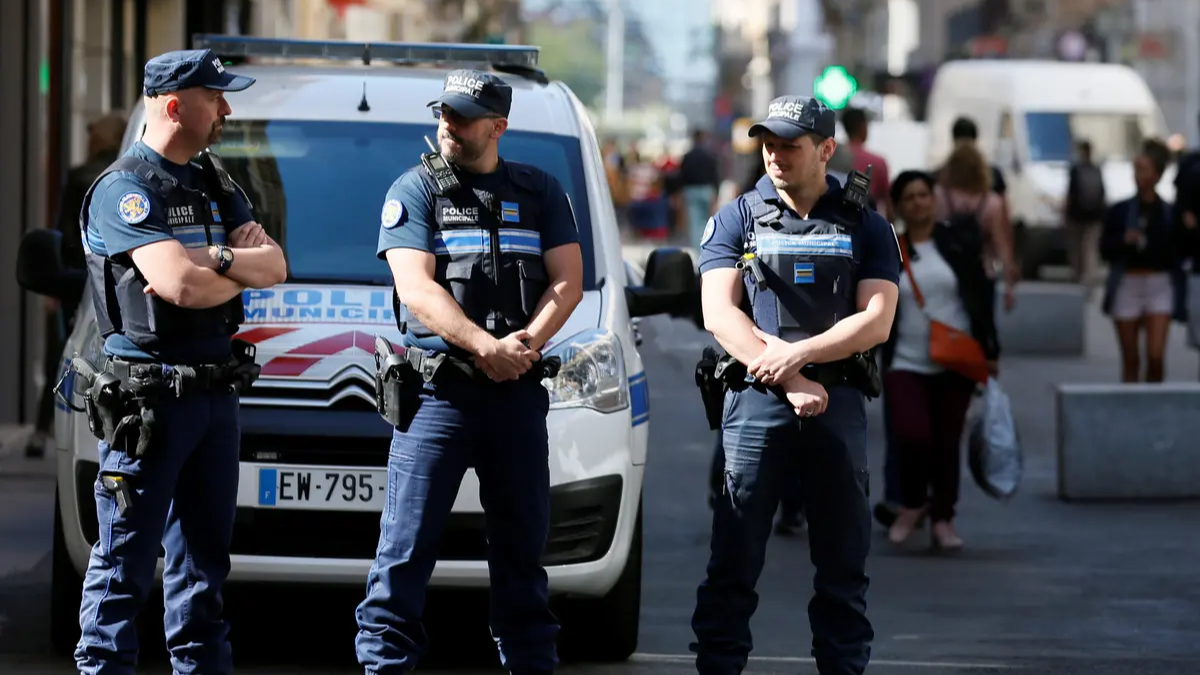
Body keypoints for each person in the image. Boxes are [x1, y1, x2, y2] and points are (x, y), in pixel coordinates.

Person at [356, 69, 585, 675]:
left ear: (497, 127)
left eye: (462, 117)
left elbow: (568, 279)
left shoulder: (539, 190)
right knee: (404, 551)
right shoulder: (416, 189)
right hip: (439, 396)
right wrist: (487, 346)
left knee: (522, 554)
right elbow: (416, 288)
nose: (448, 126)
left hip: (516, 396)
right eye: (444, 114)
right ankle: (385, 666)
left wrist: (525, 344)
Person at [73, 49, 288, 675]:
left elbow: (275, 266)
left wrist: (212, 259)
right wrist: (227, 268)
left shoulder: (214, 180)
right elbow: (179, 289)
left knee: (203, 577)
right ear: (173, 106)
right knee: (123, 571)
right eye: (215, 98)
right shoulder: (126, 190)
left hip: (215, 399)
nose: (226, 111)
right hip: (149, 406)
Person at [692, 95, 901, 675]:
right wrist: (792, 380)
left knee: (843, 565)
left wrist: (800, 356)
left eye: (790, 145)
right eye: (768, 145)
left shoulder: (866, 224)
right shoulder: (736, 217)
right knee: (733, 560)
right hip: (757, 403)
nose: (775, 156)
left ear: (826, 149)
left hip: (836, 402)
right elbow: (719, 315)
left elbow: (877, 320)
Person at [880, 171, 998, 550]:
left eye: (923, 195)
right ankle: (913, 503)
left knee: (947, 443)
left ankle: (944, 518)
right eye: (909, 197)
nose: (918, 203)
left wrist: (990, 350)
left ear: (934, 200)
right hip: (904, 360)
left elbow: (980, 296)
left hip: (955, 360)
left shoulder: (956, 242)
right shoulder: (889, 248)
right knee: (911, 434)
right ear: (899, 206)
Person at [26, 111, 128, 458]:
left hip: (79, 281)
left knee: (67, 352)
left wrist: (62, 276)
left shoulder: (80, 176)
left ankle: (44, 429)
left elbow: (64, 232)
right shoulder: (127, 173)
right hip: (120, 281)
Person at [1099, 137, 1187, 383]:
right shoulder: (1120, 211)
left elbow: (1180, 249)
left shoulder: (1169, 212)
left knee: (1155, 356)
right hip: (1128, 281)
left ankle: (1153, 397)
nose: (1138, 176)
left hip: (1159, 283)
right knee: (1130, 358)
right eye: (1136, 170)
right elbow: (1104, 249)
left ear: (1156, 175)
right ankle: (1131, 399)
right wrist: (1123, 240)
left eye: (1143, 170)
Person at [1064, 140, 1108, 287]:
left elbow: (1070, 193)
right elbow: (1102, 192)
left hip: (1077, 214)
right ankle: (1089, 273)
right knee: (1090, 246)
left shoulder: (1076, 170)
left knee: (1077, 246)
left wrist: (1066, 213)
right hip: (1094, 215)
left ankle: (1078, 272)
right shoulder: (1096, 170)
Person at [840, 107, 892, 221]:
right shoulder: (877, 162)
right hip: (866, 223)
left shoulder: (831, 158)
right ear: (863, 127)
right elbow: (888, 205)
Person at [680, 129, 722, 249]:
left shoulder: (688, 156)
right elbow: (715, 175)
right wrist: (716, 192)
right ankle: (706, 246)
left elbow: (682, 175)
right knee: (707, 222)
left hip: (691, 191)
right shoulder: (709, 155)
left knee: (695, 222)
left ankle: (698, 248)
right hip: (707, 191)